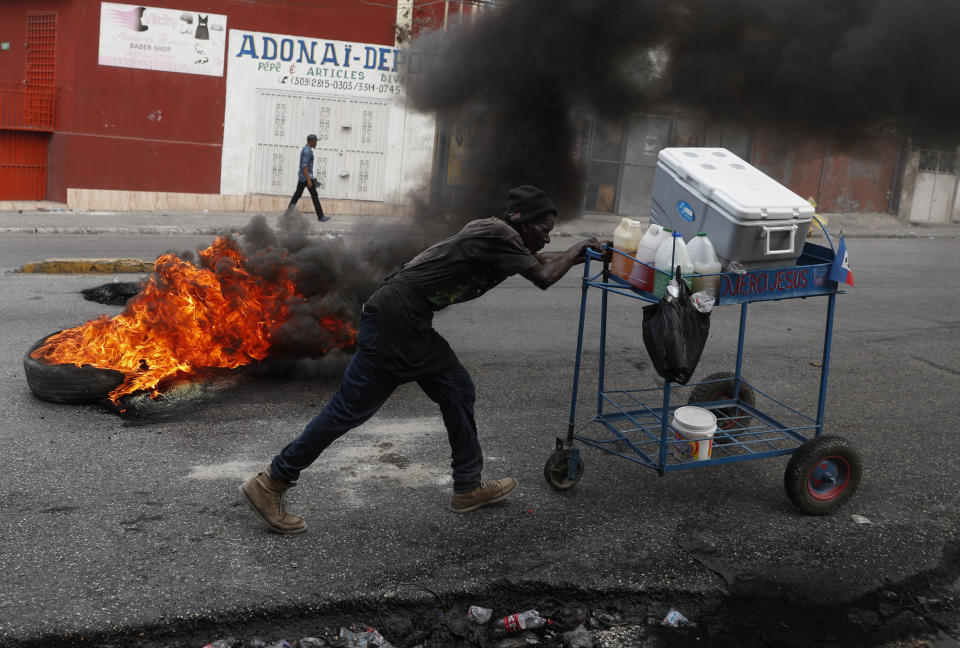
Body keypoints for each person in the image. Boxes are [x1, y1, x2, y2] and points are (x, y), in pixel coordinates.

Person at [240, 185, 603, 533]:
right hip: (396, 320)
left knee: (456, 388)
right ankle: (272, 482)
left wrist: (584, 253)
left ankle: (467, 487)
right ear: (522, 221)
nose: (548, 238)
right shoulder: (498, 233)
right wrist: (581, 247)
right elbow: (544, 274)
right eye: (545, 229)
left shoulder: (503, 238)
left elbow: (544, 260)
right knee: (348, 410)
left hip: (407, 320)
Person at [289, 134, 329, 222]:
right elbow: (304, 166)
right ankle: (321, 216)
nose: (316, 143)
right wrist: (309, 179)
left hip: (303, 177)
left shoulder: (306, 149)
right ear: (311, 141)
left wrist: (312, 178)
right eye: (315, 141)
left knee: (297, 195)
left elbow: (306, 167)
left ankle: (287, 214)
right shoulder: (307, 151)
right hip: (305, 178)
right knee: (314, 196)